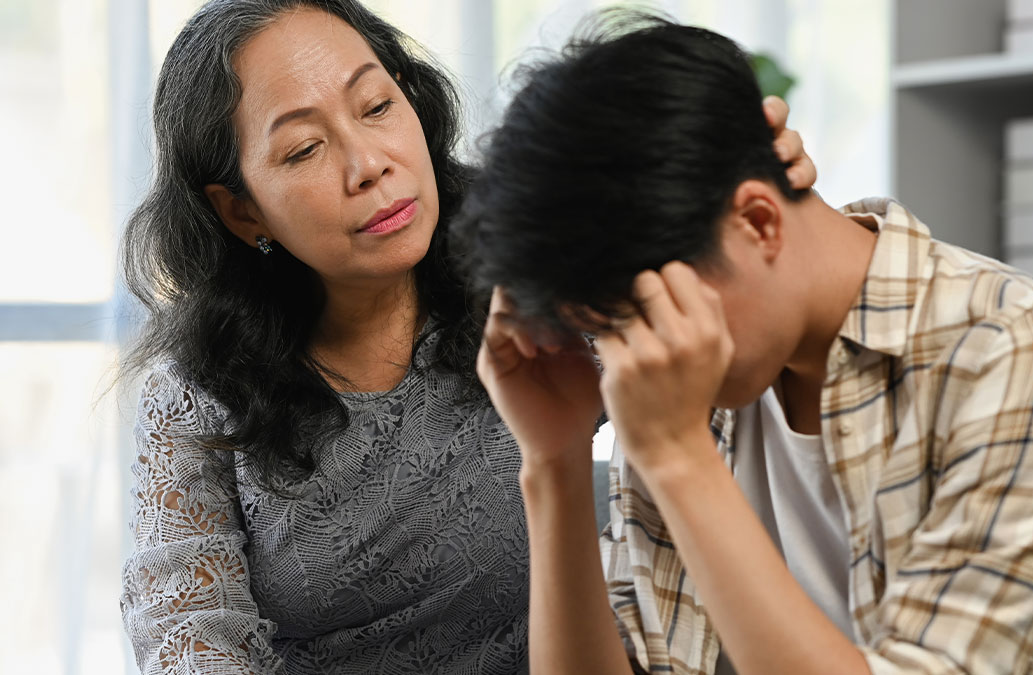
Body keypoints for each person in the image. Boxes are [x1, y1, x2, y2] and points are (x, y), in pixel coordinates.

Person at [116, 1, 814, 672]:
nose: (369, 166)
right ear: (242, 211)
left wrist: (741, 181)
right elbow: (188, 637)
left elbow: (742, 332)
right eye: (304, 149)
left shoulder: (532, 272)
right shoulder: (192, 398)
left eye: (377, 107)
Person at [454, 13, 1033, 675]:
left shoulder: (1016, 346)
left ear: (758, 221)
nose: (626, 355)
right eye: (601, 330)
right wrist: (555, 460)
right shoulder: (686, 379)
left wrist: (677, 455)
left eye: (632, 317)